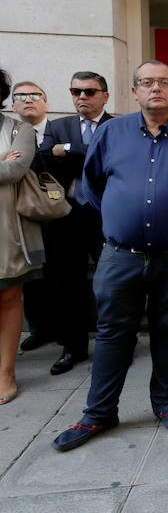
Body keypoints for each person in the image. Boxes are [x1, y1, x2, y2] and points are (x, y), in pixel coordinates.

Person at [52, 59, 168, 451]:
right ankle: (99, 413)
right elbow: (94, 186)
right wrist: (123, 216)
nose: (155, 88)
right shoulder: (111, 133)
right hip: (120, 255)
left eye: (164, 82)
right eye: (147, 82)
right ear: (135, 91)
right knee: (114, 333)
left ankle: (166, 404)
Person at [38, 72, 114, 375]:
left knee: (113, 282)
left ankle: (118, 343)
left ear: (104, 96)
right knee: (67, 283)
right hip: (67, 213)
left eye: (89, 92)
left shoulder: (118, 125)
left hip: (107, 214)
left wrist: (67, 150)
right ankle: (74, 348)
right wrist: (73, 152)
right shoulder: (58, 126)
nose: (81, 97)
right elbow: (42, 161)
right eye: (75, 91)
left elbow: (109, 162)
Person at [1, 70, 45, 405]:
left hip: (6, 230)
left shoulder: (19, 128)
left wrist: (6, 164)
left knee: (8, 298)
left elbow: (15, 170)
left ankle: (6, 372)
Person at [11, 81, 53, 353]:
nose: (28, 100)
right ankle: (39, 329)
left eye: (35, 95)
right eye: (21, 96)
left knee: (63, 275)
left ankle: (66, 331)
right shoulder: (9, 135)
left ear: (46, 103)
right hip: (21, 217)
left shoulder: (60, 131)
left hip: (58, 214)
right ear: (13, 104)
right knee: (32, 278)